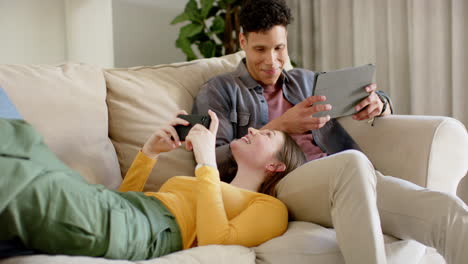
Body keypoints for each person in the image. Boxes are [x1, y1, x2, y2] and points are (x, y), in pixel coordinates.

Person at [192, 0, 468, 263]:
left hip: (352, 178)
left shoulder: (305, 81)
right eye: (260, 49)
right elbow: (210, 157)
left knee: (446, 212)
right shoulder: (220, 90)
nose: (272, 60)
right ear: (243, 43)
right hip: (280, 185)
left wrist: (378, 103)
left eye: (279, 48)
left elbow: (366, 97)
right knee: (351, 163)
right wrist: (283, 124)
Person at [0, 108, 307, 260]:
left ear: (275, 165)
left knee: (24, 180)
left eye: (267, 135)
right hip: (123, 209)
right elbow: (122, 203)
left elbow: (217, 242)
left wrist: (205, 161)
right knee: (20, 138)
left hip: (144, 229)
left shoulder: (270, 207)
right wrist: (149, 153)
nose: (254, 129)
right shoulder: (211, 182)